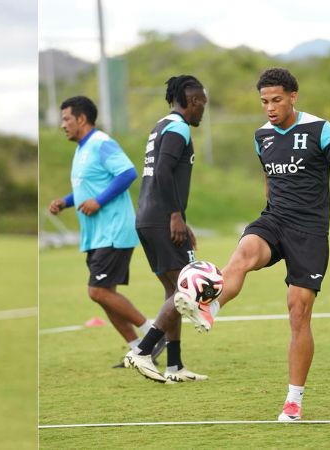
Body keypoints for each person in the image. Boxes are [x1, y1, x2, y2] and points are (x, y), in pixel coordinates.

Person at [175, 67, 330, 420]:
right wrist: (267, 215)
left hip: (309, 232)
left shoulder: (320, 129)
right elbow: (268, 178)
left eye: (276, 100)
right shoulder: (262, 135)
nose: (270, 108)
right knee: (243, 253)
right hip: (274, 220)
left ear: (293, 96)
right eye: (264, 102)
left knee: (298, 313)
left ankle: (294, 400)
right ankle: (209, 307)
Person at [49, 95, 163, 366]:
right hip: (96, 234)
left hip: (113, 230)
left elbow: (127, 173)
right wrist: (65, 202)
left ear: (81, 118)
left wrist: (99, 201)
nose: (62, 124)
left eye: (66, 119)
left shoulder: (101, 143)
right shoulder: (81, 149)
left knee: (97, 291)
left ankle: (153, 334)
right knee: (105, 296)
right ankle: (138, 349)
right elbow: (87, 189)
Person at [123, 75, 211, 384]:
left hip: (148, 216)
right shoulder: (178, 127)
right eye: (202, 104)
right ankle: (143, 351)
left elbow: (161, 172)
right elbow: (162, 170)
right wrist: (175, 216)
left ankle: (174, 366)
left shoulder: (160, 125)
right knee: (186, 290)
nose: (203, 110)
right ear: (191, 102)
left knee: (174, 291)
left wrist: (181, 219)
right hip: (162, 218)